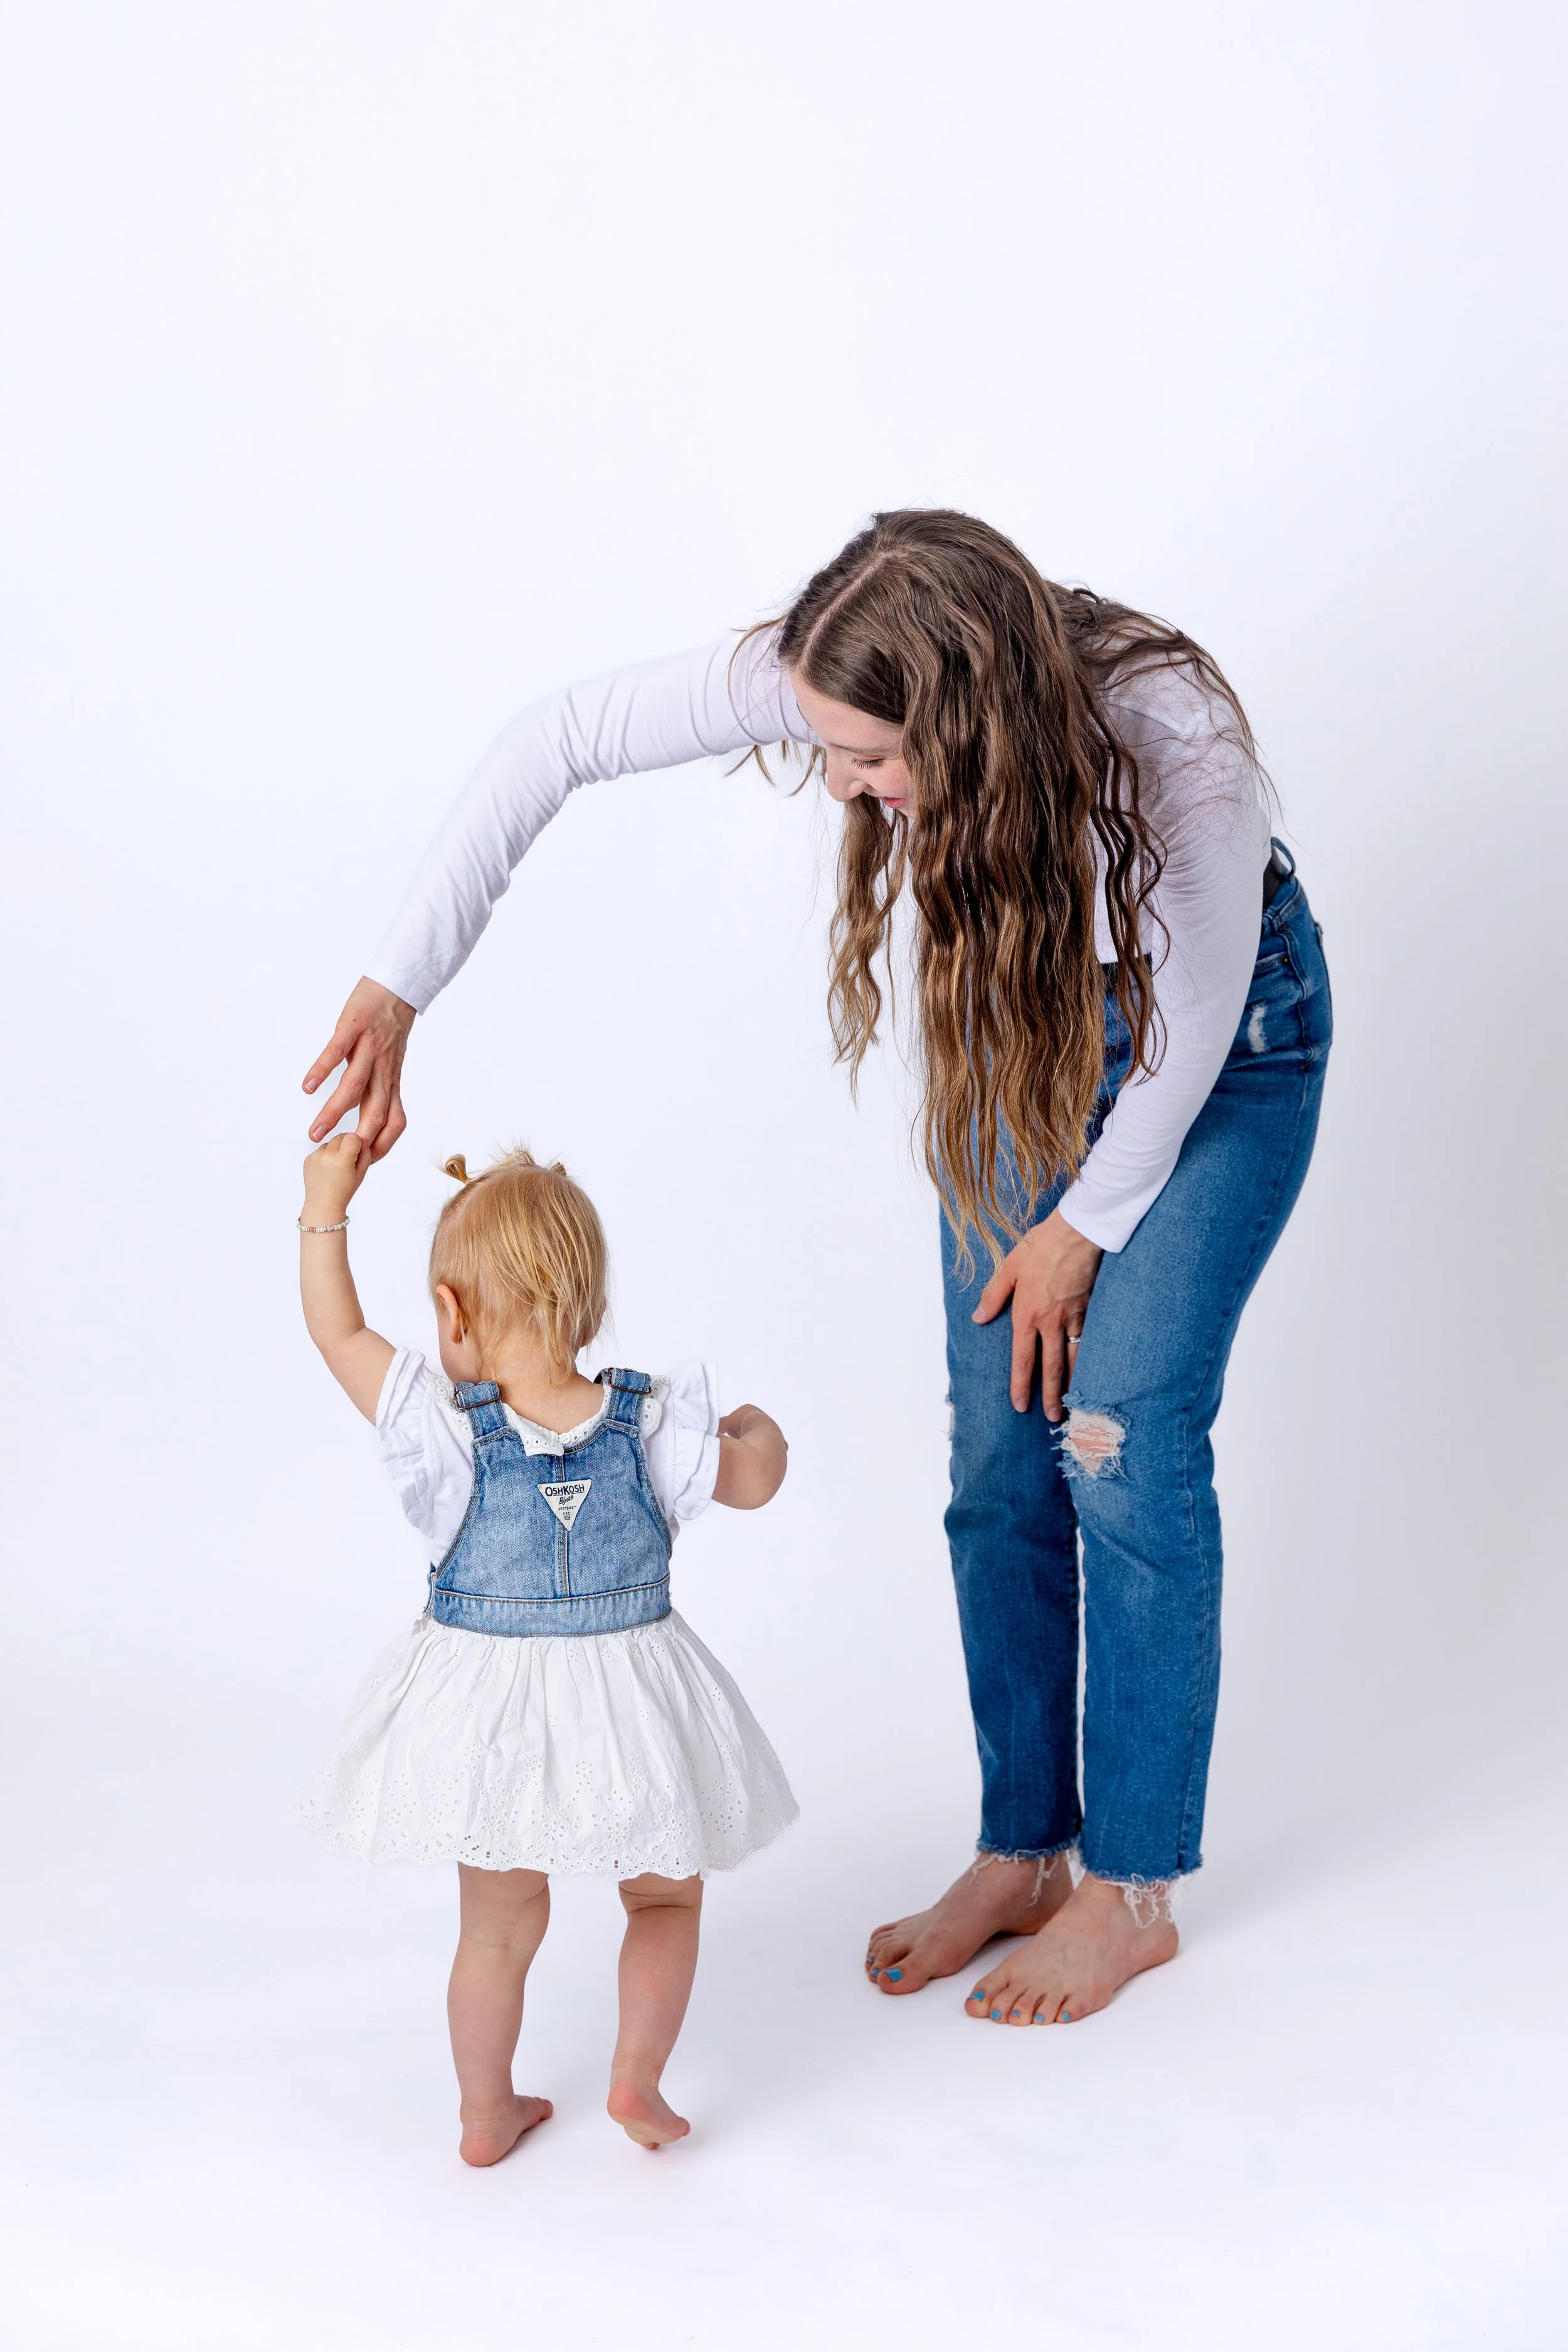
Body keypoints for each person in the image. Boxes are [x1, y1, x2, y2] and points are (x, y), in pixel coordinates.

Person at [304, 509, 1332, 2034]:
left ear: (974, 723)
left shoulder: (1170, 741)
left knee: (1115, 1437)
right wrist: (398, 987)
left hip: (1221, 1059)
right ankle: (1021, 1849)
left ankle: (1129, 1891)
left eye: (869, 762)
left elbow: (1175, 1044)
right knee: (997, 1454)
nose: (847, 789)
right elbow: (556, 739)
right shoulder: (823, 671)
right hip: (1040, 1046)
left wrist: (1076, 1234)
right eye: (832, 751)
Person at [294, 1133, 796, 2159]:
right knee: (663, 1894)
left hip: (494, 1728)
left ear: (450, 1312)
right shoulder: (651, 1423)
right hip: (633, 1713)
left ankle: (486, 2113)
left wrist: (324, 1205)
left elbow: (336, 1330)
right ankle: (635, 2078)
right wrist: (759, 1429)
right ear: (588, 1306)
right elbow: (758, 1478)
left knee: (495, 1926)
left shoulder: (442, 1429)